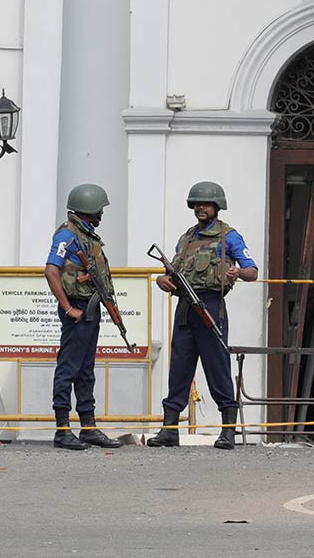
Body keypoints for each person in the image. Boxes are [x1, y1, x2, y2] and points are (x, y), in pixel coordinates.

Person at [148, 180, 258, 450]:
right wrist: (163, 281)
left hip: (211, 306)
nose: (201, 208)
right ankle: (169, 429)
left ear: (217, 207)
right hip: (185, 307)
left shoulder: (229, 237)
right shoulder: (186, 239)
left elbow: (252, 271)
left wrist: (237, 273)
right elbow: (171, 272)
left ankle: (228, 431)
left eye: (206, 204)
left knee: (217, 366)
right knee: (179, 366)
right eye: (197, 204)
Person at [43, 183, 124, 451]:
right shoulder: (68, 235)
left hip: (90, 308)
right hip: (77, 309)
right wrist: (68, 308)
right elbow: (51, 271)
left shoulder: (87, 236)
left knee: (86, 369)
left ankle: (88, 426)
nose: (101, 215)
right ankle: (63, 429)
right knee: (69, 367)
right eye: (98, 210)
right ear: (87, 210)